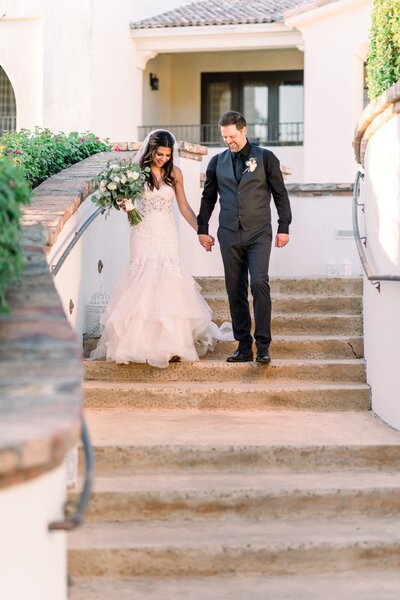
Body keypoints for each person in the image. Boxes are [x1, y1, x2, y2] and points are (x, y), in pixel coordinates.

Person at [91, 129, 231, 368]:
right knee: (143, 283)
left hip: (167, 234)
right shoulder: (134, 173)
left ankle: (174, 345)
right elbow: (124, 202)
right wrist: (127, 206)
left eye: (167, 155)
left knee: (169, 284)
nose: (163, 158)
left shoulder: (175, 174)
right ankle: (139, 345)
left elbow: (185, 207)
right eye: (159, 154)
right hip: (142, 233)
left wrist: (201, 231)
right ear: (151, 150)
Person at [197, 111, 292, 364]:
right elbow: (208, 197)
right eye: (224, 137)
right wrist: (202, 229)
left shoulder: (265, 158)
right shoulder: (217, 162)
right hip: (228, 232)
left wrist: (284, 226)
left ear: (244, 130)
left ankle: (263, 346)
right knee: (234, 288)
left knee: (259, 283)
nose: (228, 140)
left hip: (259, 231)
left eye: (232, 136)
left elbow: (280, 194)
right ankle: (243, 346)